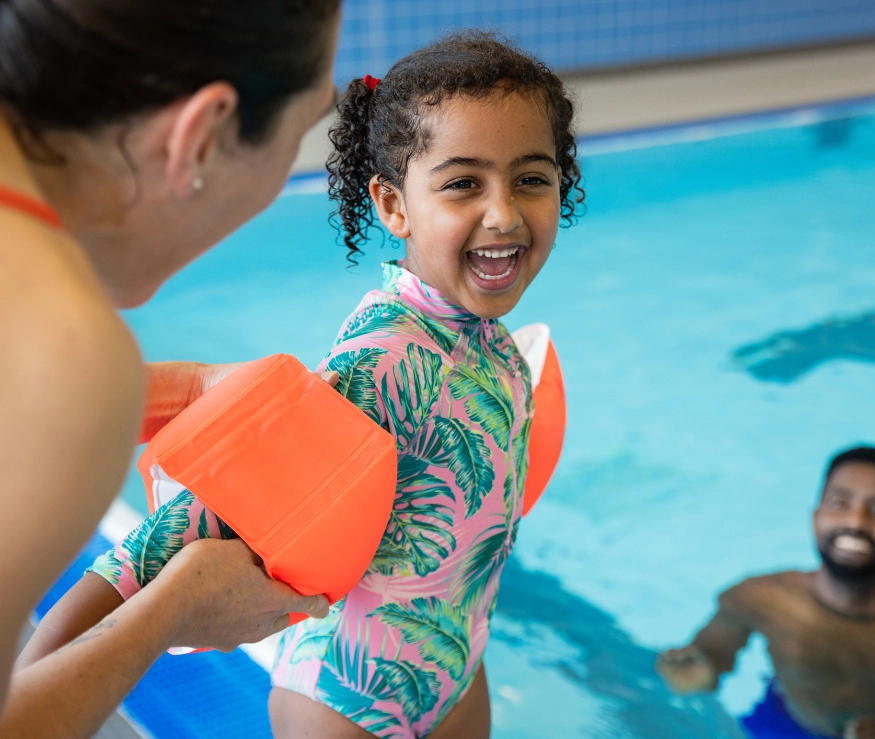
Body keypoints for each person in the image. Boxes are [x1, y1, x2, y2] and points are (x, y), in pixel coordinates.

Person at [22, 31, 585, 739]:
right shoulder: (385, 356)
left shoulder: (495, 346)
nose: (503, 213)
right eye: (463, 183)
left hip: (453, 667)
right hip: (347, 702)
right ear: (393, 205)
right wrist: (45, 661)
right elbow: (193, 524)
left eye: (531, 178)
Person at [0, 1, 343, 736]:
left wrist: (175, 394)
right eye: (307, 127)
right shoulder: (64, 350)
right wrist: (176, 606)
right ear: (204, 135)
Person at [657, 447, 875, 739]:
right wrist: (695, 673)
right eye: (840, 503)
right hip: (779, 725)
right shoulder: (761, 599)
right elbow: (711, 658)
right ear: (815, 518)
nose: (855, 522)